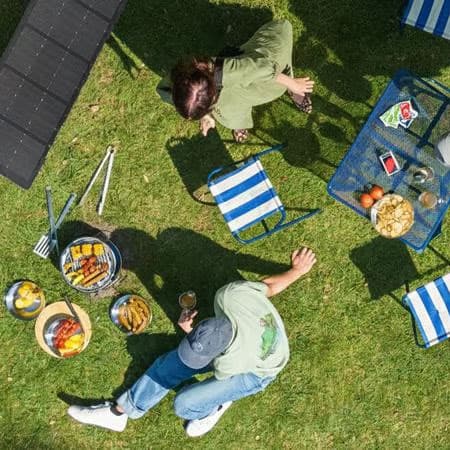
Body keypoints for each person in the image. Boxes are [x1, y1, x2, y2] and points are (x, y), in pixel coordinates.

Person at [67, 247, 317, 436]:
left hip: (257, 371)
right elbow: (268, 286)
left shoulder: (233, 362)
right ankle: (117, 413)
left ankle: (214, 406)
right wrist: (296, 271)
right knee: (170, 365)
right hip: (242, 339)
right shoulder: (232, 294)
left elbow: (221, 362)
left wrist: (190, 335)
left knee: (185, 404)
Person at [157, 20, 315, 143]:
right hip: (244, 74)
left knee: (271, 83)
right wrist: (206, 115)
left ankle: (291, 90)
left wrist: (293, 84)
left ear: (213, 94)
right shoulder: (186, 75)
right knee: (231, 108)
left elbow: (265, 67)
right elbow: (164, 90)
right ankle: (238, 123)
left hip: (271, 59)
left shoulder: (233, 73)